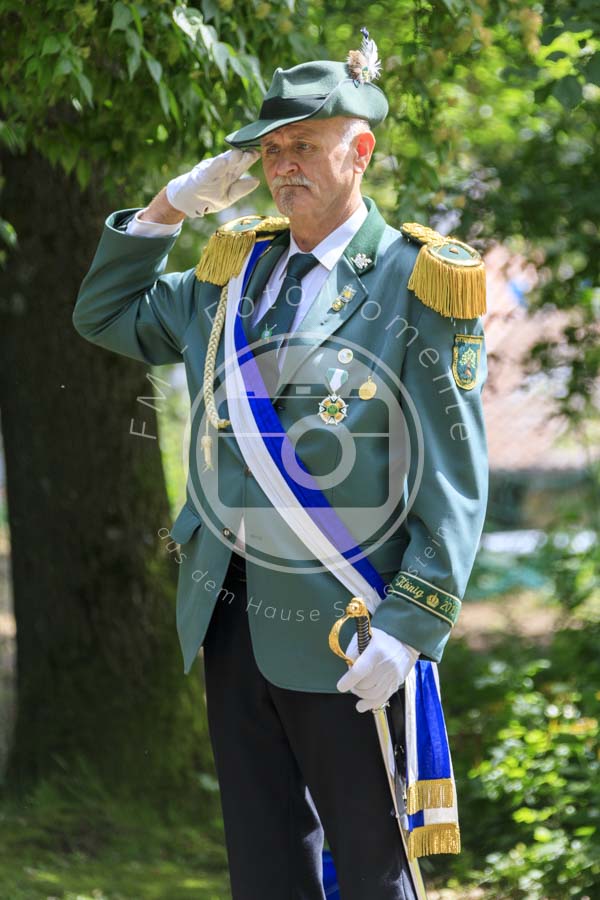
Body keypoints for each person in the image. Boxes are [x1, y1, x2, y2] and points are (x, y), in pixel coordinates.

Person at [73, 33, 488, 900]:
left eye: (305, 144)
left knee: (373, 872)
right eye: (270, 150)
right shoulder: (234, 270)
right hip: (229, 616)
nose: (283, 164)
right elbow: (104, 314)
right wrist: (170, 206)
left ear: (360, 150)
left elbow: (453, 481)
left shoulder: (417, 284)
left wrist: (410, 627)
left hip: (350, 625)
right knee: (264, 868)